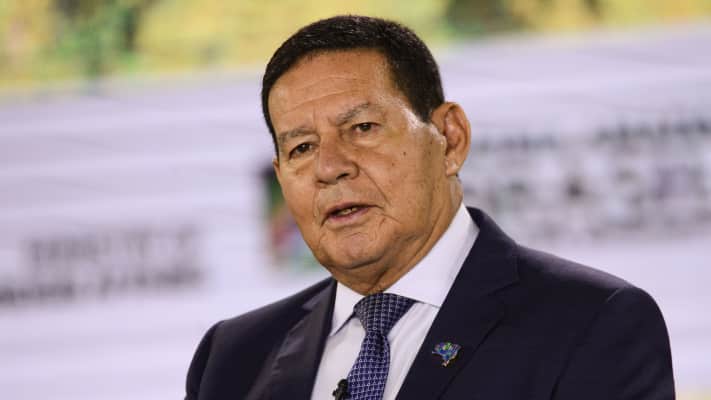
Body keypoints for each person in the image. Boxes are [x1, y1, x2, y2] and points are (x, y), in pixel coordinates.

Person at [185, 15, 674, 400]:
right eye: (302, 148)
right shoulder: (232, 358)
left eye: (362, 128)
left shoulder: (590, 322)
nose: (330, 167)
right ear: (280, 178)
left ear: (449, 138)